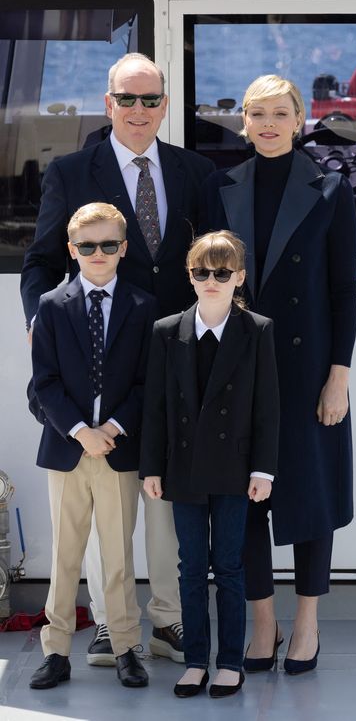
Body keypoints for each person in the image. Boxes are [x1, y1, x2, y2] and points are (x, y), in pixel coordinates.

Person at [20, 53, 215, 666]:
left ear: (164, 105)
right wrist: (39, 322)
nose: (138, 111)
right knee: (106, 496)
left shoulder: (194, 171)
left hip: (178, 364)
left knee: (165, 499)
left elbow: (217, 258)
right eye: (126, 99)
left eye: (150, 99)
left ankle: (167, 621)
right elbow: (42, 262)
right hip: (101, 365)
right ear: (107, 103)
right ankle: (108, 624)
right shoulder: (73, 172)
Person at [200, 75, 356, 674]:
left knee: (313, 496)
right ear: (242, 121)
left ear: (300, 120)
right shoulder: (221, 188)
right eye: (256, 113)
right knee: (244, 500)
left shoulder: (331, 190)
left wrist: (337, 376)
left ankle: (309, 625)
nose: (267, 124)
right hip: (236, 367)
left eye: (279, 114)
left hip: (309, 368)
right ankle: (263, 622)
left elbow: (345, 292)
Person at [140, 230, 279, 698]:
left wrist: (264, 470)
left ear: (239, 277)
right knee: (190, 566)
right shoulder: (167, 330)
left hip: (236, 468)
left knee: (230, 566)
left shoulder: (256, 329)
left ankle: (230, 662)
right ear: (190, 275)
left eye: (222, 272)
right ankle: (196, 659)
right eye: (202, 272)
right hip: (183, 467)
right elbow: (156, 407)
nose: (211, 280)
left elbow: (267, 406)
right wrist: (151, 468)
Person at [29, 203, 157, 690]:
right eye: (87, 246)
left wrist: (114, 428)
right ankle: (56, 649)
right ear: (72, 250)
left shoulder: (142, 307)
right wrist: (82, 430)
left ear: (123, 249)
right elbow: (45, 382)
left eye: (108, 245)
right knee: (66, 553)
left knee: (119, 554)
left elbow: (148, 383)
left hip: (119, 450)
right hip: (68, 450)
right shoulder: (52, 305)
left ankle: (126, 647)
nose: (98, 253)